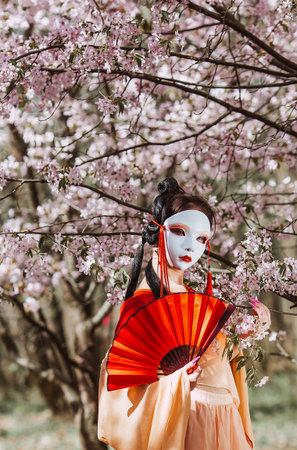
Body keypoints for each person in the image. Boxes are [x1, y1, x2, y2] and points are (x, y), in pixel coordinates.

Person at [98, 178, 271, 450]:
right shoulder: (140, 305)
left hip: (226, 418)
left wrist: (244, 335)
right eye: (180, 231)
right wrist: (178, 382)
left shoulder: (193, 301)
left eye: (202, 238)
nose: (192, 246)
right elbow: (125, 392)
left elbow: (213, 357)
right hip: (188, 421)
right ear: (158, 233)